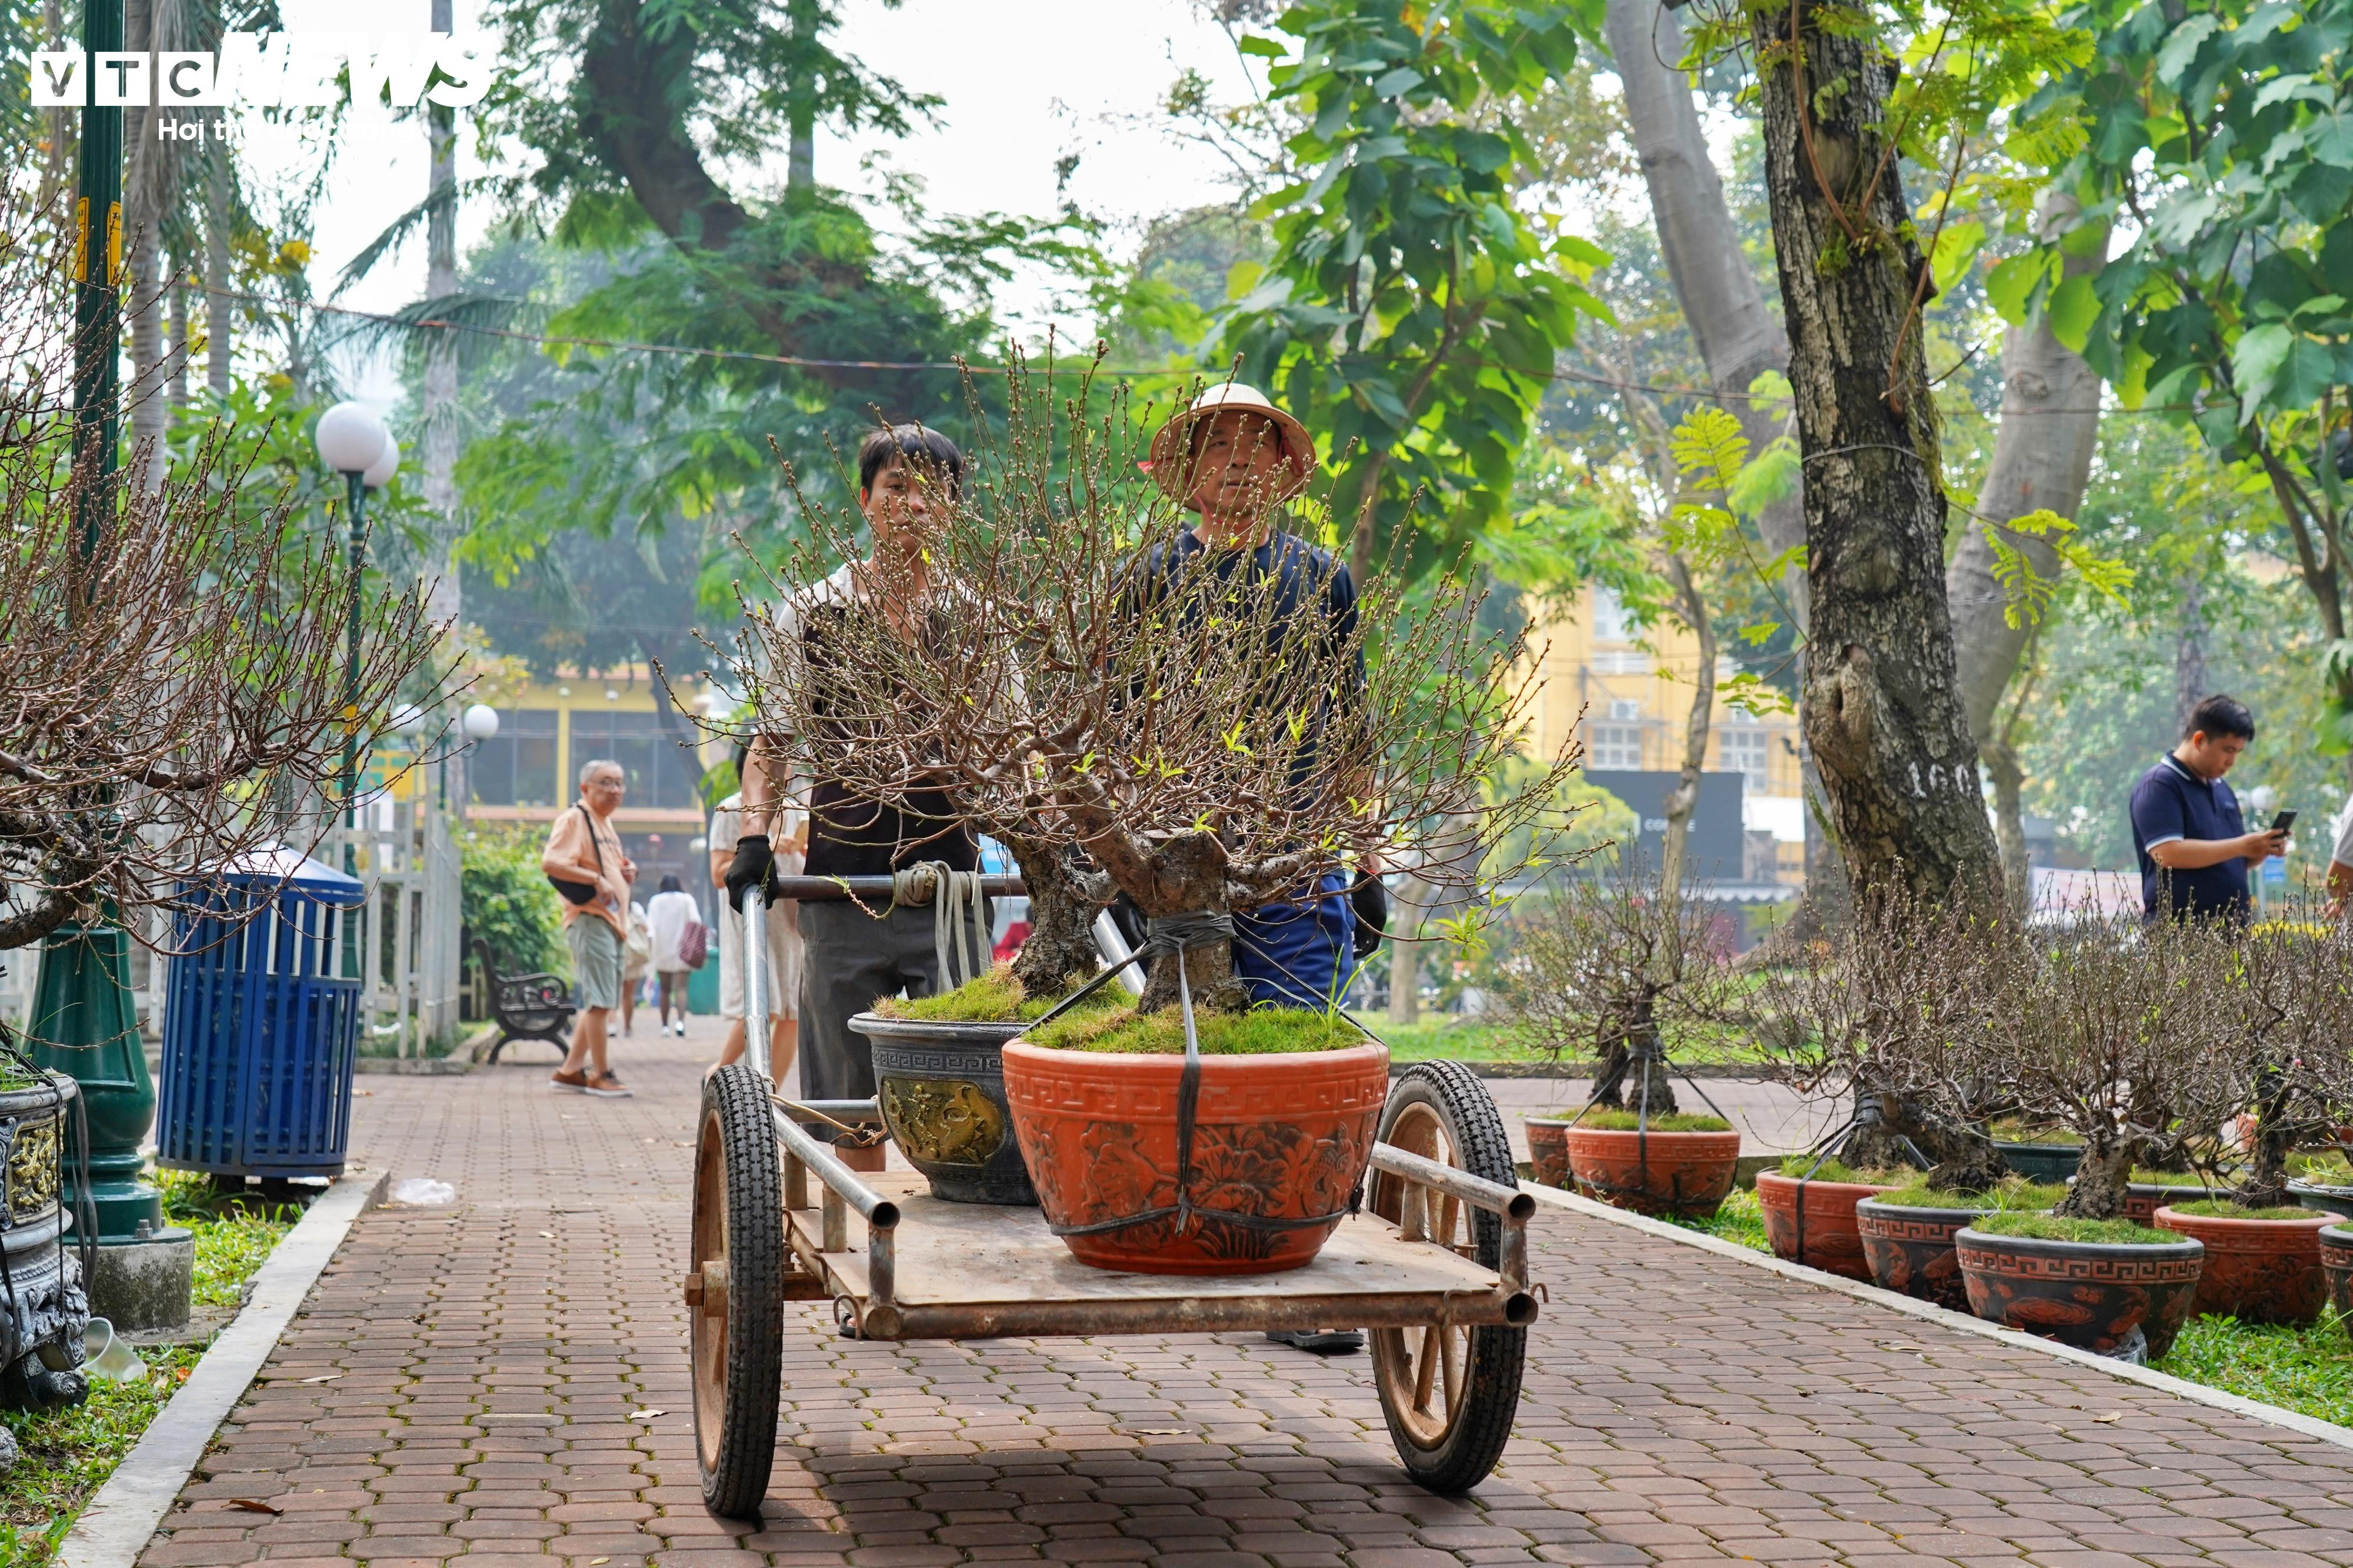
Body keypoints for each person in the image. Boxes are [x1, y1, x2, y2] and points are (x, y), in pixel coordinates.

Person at [728, 423, 982, 1173]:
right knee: (844, 1104)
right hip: (843, 886)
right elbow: (772, 742)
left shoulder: (975, 619)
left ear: (954, 511)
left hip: (956, 890)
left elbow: (1015, 746)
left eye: (931, 492)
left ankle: (957, 1245)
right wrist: (754, 839)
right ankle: (857, 1235)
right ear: (865, 500)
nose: (912, 506)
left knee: (968, 1098)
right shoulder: (812, 612)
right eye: (896, 488)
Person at [1140, 382, 1361, 1009]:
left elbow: (1350, 722)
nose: (1237, 460)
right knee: (1182, 1041)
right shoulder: (1150, 576)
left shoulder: (1321, 576)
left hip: (1294, 857)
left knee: (1291, 1029)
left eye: (1253, 445)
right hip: (1179, 858)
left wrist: (1364, 855)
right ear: (1189, 468)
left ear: (1281, 465)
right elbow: (1118, 723)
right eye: (1217, 444)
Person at [2129, 694, 2288, 923]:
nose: (2231, 761)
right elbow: (2167, 853)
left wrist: (2262, 848)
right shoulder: (2160, 784)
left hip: (2231, 934)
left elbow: (2234, 858)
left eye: (2237, 753)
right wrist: (2243, 845)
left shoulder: (2223, 789)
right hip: (2179, 937)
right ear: (2200, 739)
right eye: (2228, 750)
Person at [539, 759, 636, 1096]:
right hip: (590, 918)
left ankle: (569, 1071)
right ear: (585, 788)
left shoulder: (604, 824)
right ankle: (601, 1073)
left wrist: (624, 873)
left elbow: (606, 866)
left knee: (601, 1000)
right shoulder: (575, 819)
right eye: (606, 783)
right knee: (600, 1003)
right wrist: (596, 879)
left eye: (619, 783)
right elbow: (551, 862)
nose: (615, 790)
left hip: (610, 922)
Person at [710, 777, 806, 1077]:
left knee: (792, 1013)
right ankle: (718, 1073)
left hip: (793, 924)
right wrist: (770, 847)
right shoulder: (731, 809)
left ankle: (771, 1097)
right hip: (752, 919)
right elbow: (718, 874)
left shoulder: (797, 810)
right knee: (766, 1008)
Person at [646, 872, 702, 1037]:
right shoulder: (687, 900)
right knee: (681, 988)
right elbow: (696, 921)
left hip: (661, 950)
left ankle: (664, 1027)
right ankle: (680, 1023)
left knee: (664, 989)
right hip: (683, 951)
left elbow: (650, 928)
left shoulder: (656, 901)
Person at [619, 897, 651, 1036]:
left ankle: (612, 1025)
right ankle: (627, 1026)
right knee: (628, 994)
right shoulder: (635, 907)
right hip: (632, 954)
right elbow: (646, 928)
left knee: (610, 992)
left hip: (615, 952)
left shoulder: (605, 903)